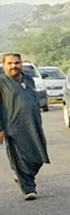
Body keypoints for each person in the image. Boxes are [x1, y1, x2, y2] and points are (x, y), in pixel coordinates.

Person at [0, 53, 49, 200]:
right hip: (13, 126)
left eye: (16, 63)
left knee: (38, 157)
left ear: (21, 63)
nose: (13, 66)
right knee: (19, 157)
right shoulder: (2, 82)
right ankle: (28, 188)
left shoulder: (28, 79)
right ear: (3, 65)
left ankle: (21, 175)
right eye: (9, 63)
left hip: (33, 124)